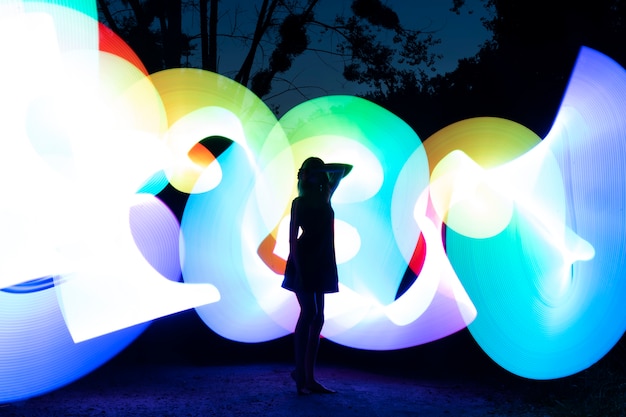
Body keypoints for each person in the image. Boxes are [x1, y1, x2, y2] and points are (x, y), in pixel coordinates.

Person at [282, 156, 352, 395]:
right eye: (305, 171)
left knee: (319, 317)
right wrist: (299, 272)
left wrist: (317, 168)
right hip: (304, 259)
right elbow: (292, 239)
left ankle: (306, 375)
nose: (308, 174)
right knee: (309, 313)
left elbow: (344, 168)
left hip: (323, 260)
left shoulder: (326, 194)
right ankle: (301, 373)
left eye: (313, 170)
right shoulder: (299, 202)